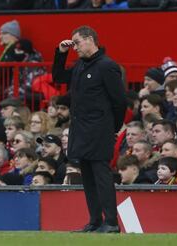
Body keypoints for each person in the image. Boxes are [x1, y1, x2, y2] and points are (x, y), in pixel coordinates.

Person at [52, 26, 127, 233]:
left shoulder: (107, 66)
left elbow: (120, 101)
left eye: (76, 43)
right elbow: (58, 77)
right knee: (87, 176)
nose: (74, 47)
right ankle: (94, 221)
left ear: (89, 40)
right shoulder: (79, 66)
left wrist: (113, 127)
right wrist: (61, 53)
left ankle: (111, 222)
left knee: (102, 175)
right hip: (81, 129)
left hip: (100, 129)